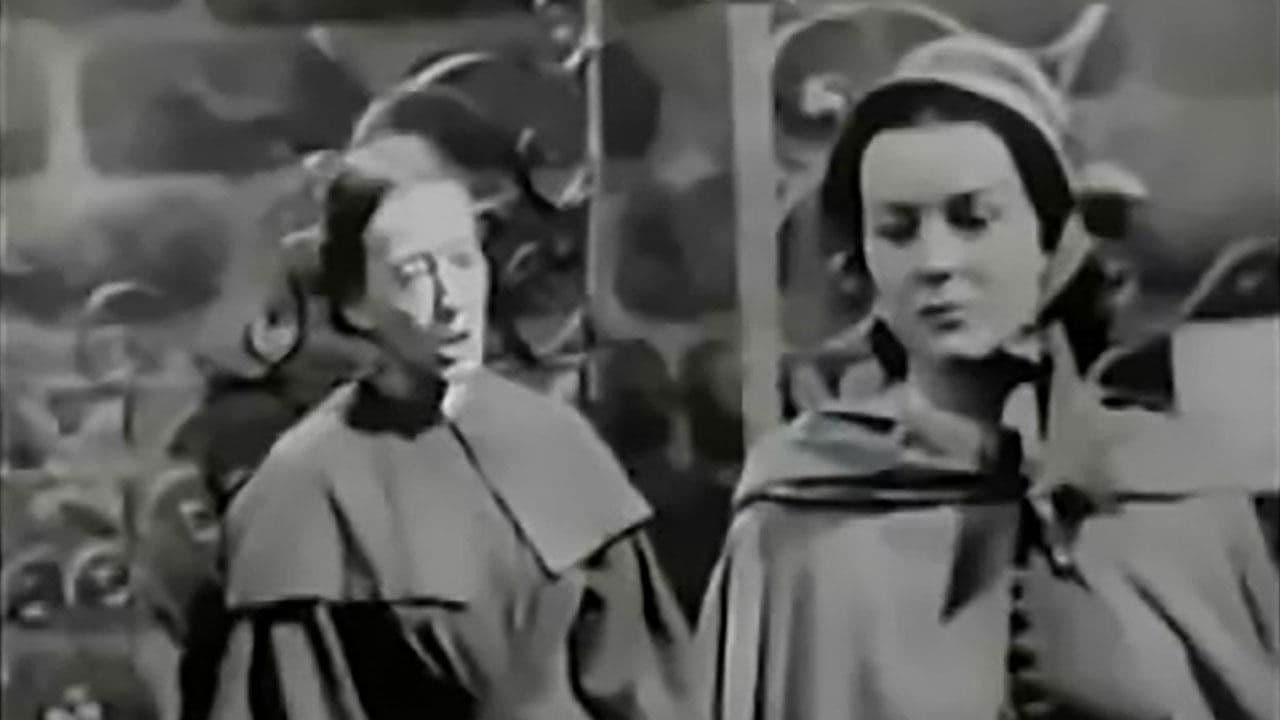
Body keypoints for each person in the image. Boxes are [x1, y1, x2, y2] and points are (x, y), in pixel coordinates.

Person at [695, 34, 1279, 720]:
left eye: (973, 220)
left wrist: (1140, 694)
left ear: (1052, 238)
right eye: (898, 229)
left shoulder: (1179, 493)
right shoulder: (798, 523)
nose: (936, 262)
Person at [201, 92, 693, 719]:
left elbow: (649, 689)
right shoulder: (305, 488)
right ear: (355, 303)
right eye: (412, 273)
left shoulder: (555, 440)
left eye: (461, 261)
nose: (450, 300)